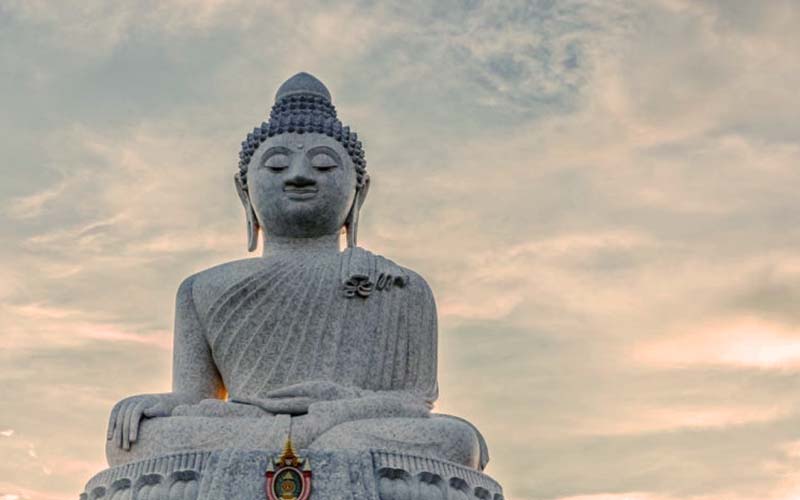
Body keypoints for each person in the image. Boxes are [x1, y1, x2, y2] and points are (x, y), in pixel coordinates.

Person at [105, 73, 488, 470]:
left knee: (455, 441)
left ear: (359, 192)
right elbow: (195, 397)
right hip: (249, 426)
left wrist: (329, 412)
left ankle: (299, 447)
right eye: (277, 165)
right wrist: (159, 405)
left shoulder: (400, 286)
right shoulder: (200, 289)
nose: (299, 175)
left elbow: (411, 403)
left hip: (349, 426)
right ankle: (313, 449)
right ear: (244, 191)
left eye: (323, 164)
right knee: (131, 442)